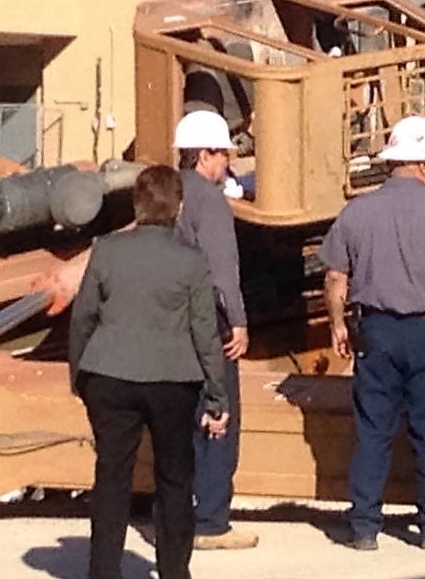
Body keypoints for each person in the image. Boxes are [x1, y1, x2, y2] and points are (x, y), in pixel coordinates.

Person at [70, 164, 230, 579]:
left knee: (111, 477)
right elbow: (204, 332)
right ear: (178, 208)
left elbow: (83, 317)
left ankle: (103, 571)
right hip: (172, 380)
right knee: (175, 479)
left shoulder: (106, 249)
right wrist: (217, 393)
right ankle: (174, 570)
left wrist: (79, 376)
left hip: (109, 374)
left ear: (136, 205)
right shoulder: (192, 261)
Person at [319, 115, 425, 552]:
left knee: (372, 430)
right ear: (422, 164)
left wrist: (337, 324)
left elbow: (334, 279)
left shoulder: (357, 211)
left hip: (376, 333)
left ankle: (365, 527)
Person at [173, 109, 259, 551]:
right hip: (209, 323)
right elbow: (223, 269)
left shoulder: (165, 194)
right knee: (219, 417)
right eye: (223, 154)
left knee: (178, 419)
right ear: (204, 155)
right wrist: (239, 321)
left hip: (168, 324)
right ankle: (211, 521)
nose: (227, 162)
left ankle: (174, 516)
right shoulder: (211, 202)